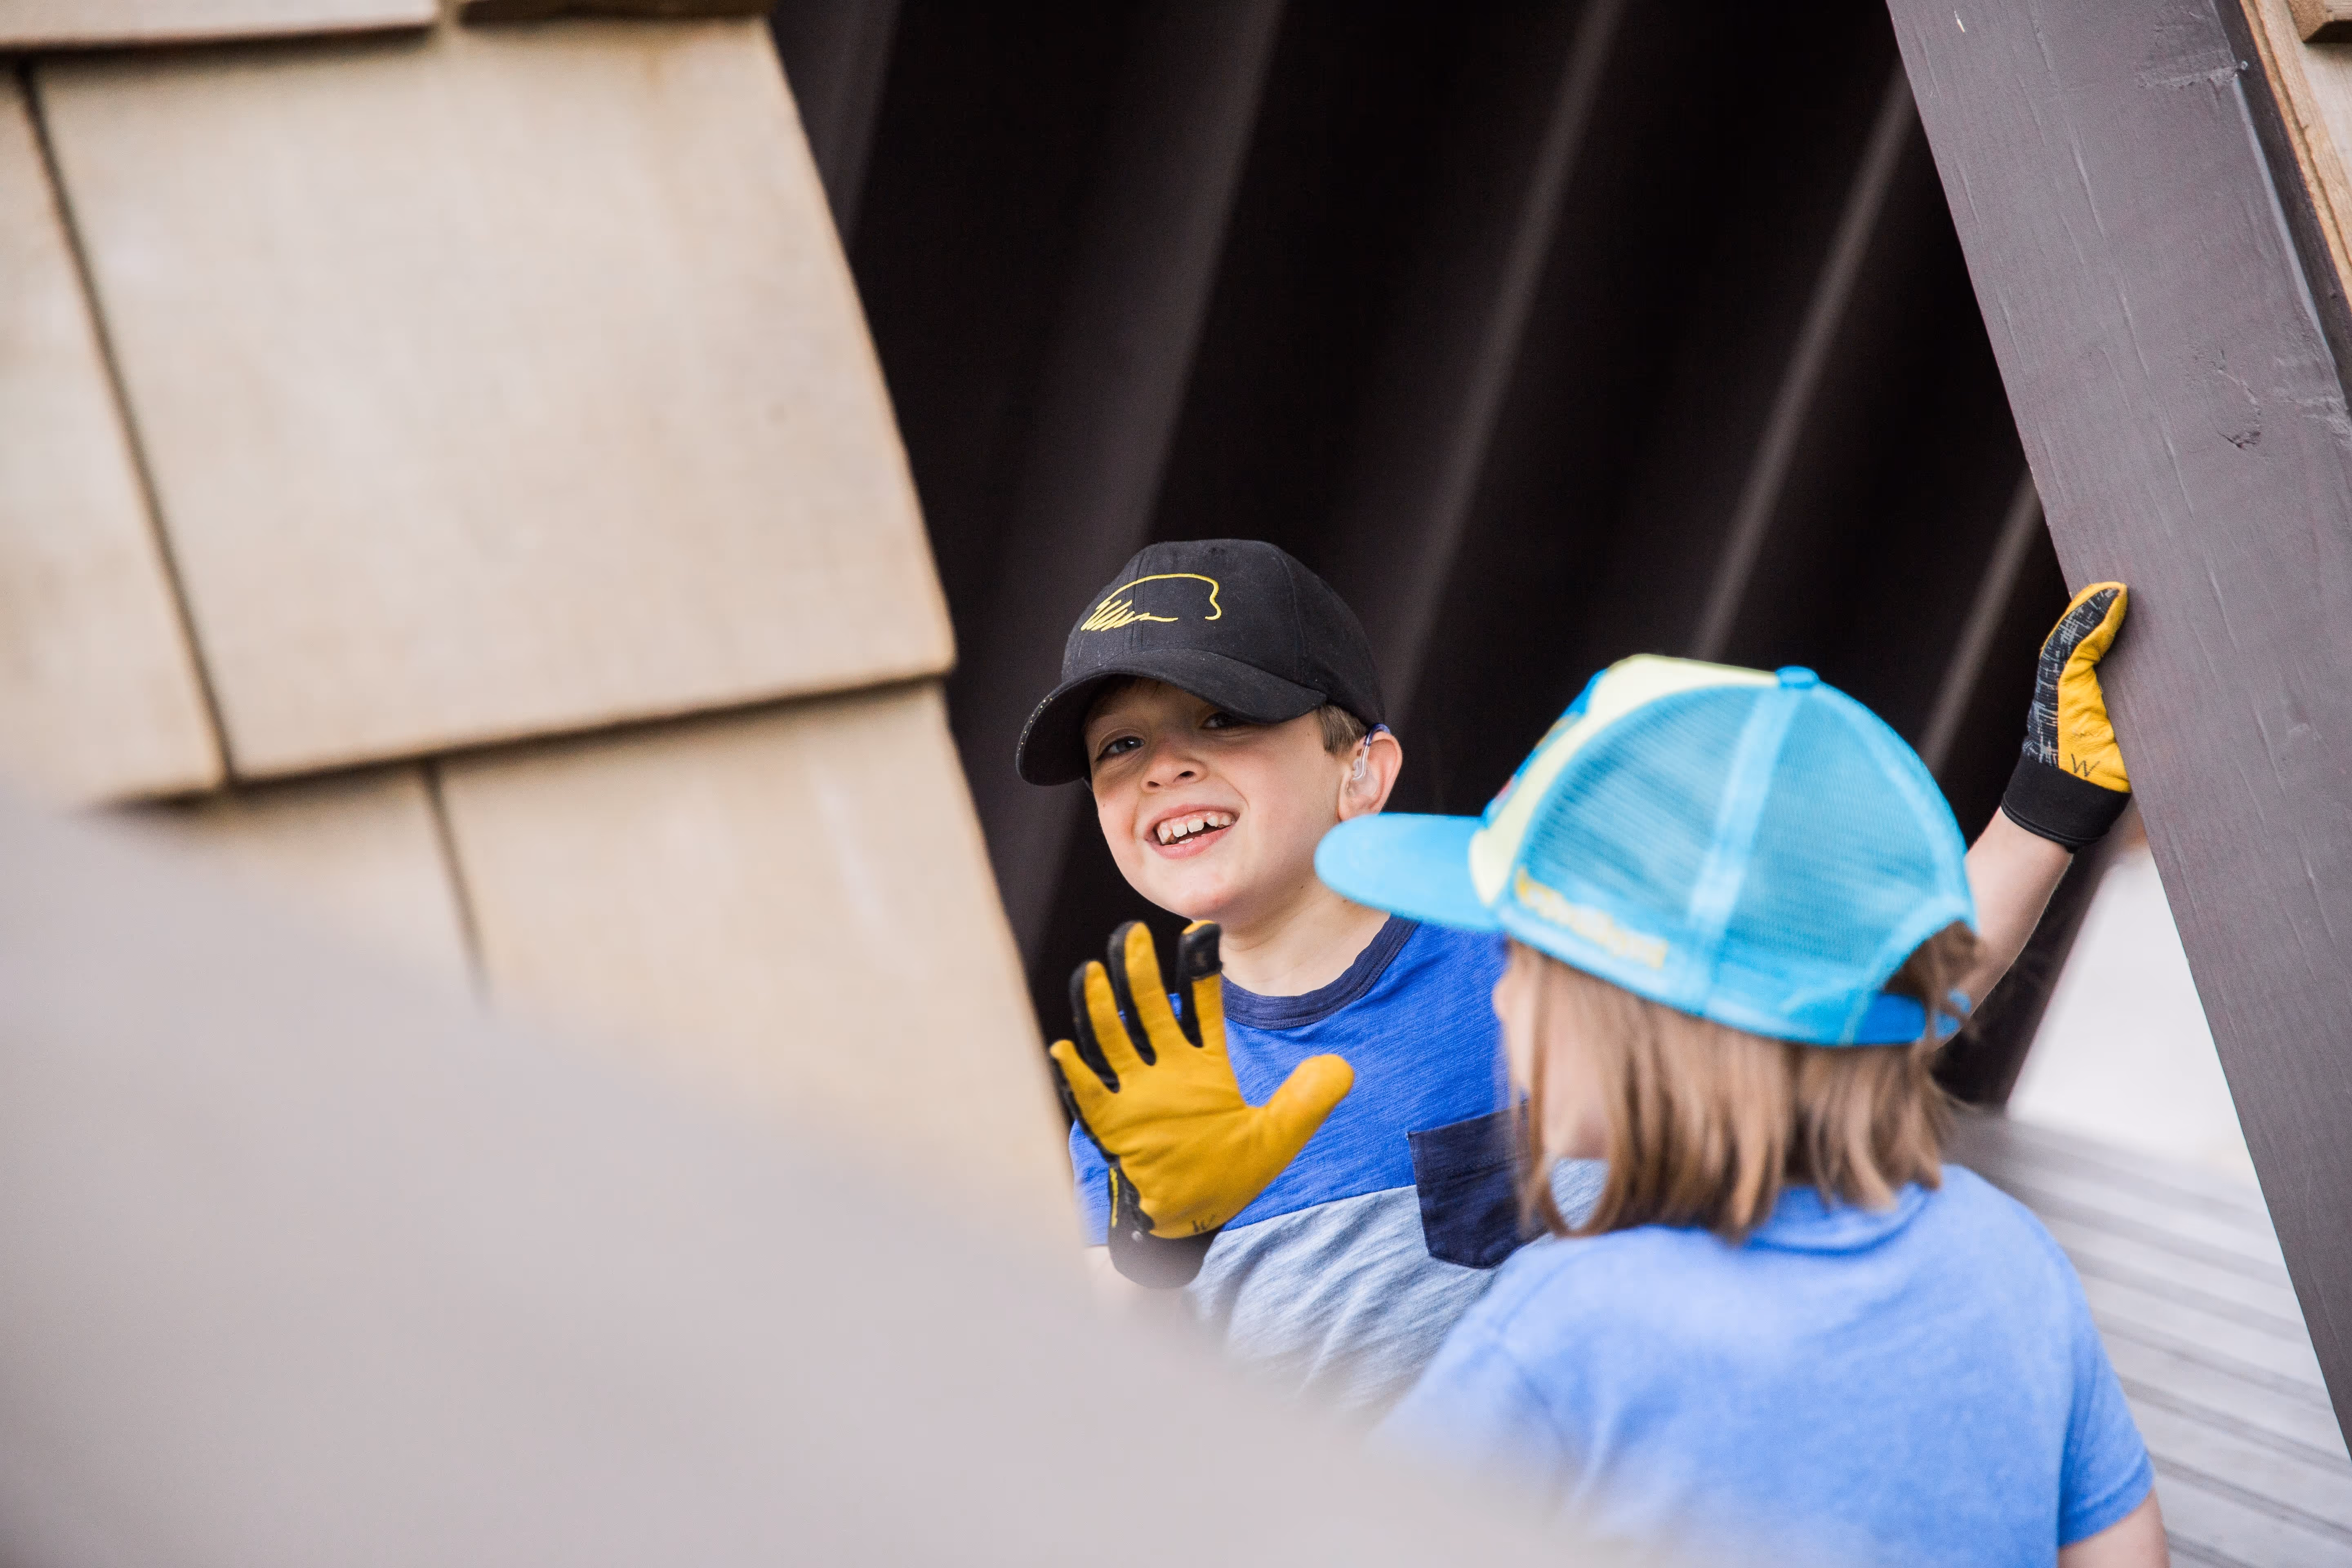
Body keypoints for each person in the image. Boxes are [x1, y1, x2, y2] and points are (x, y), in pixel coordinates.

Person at [1025, 540, 2134, 1416]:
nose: (1163, 763)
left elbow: (1854, 1014)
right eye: (1117, 747)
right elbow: (1099, 1396)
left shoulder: (1544, 951)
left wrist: (2047, 809)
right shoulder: (1141, 1074)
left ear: (1362, 766)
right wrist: (1156, 1248)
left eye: (1221, 718)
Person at [1320, 652, 2160, 1566]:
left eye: (1526, 963)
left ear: (1635, 1025)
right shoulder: (2011, 1258)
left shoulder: (1570, 1327)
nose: (1501, 1000)